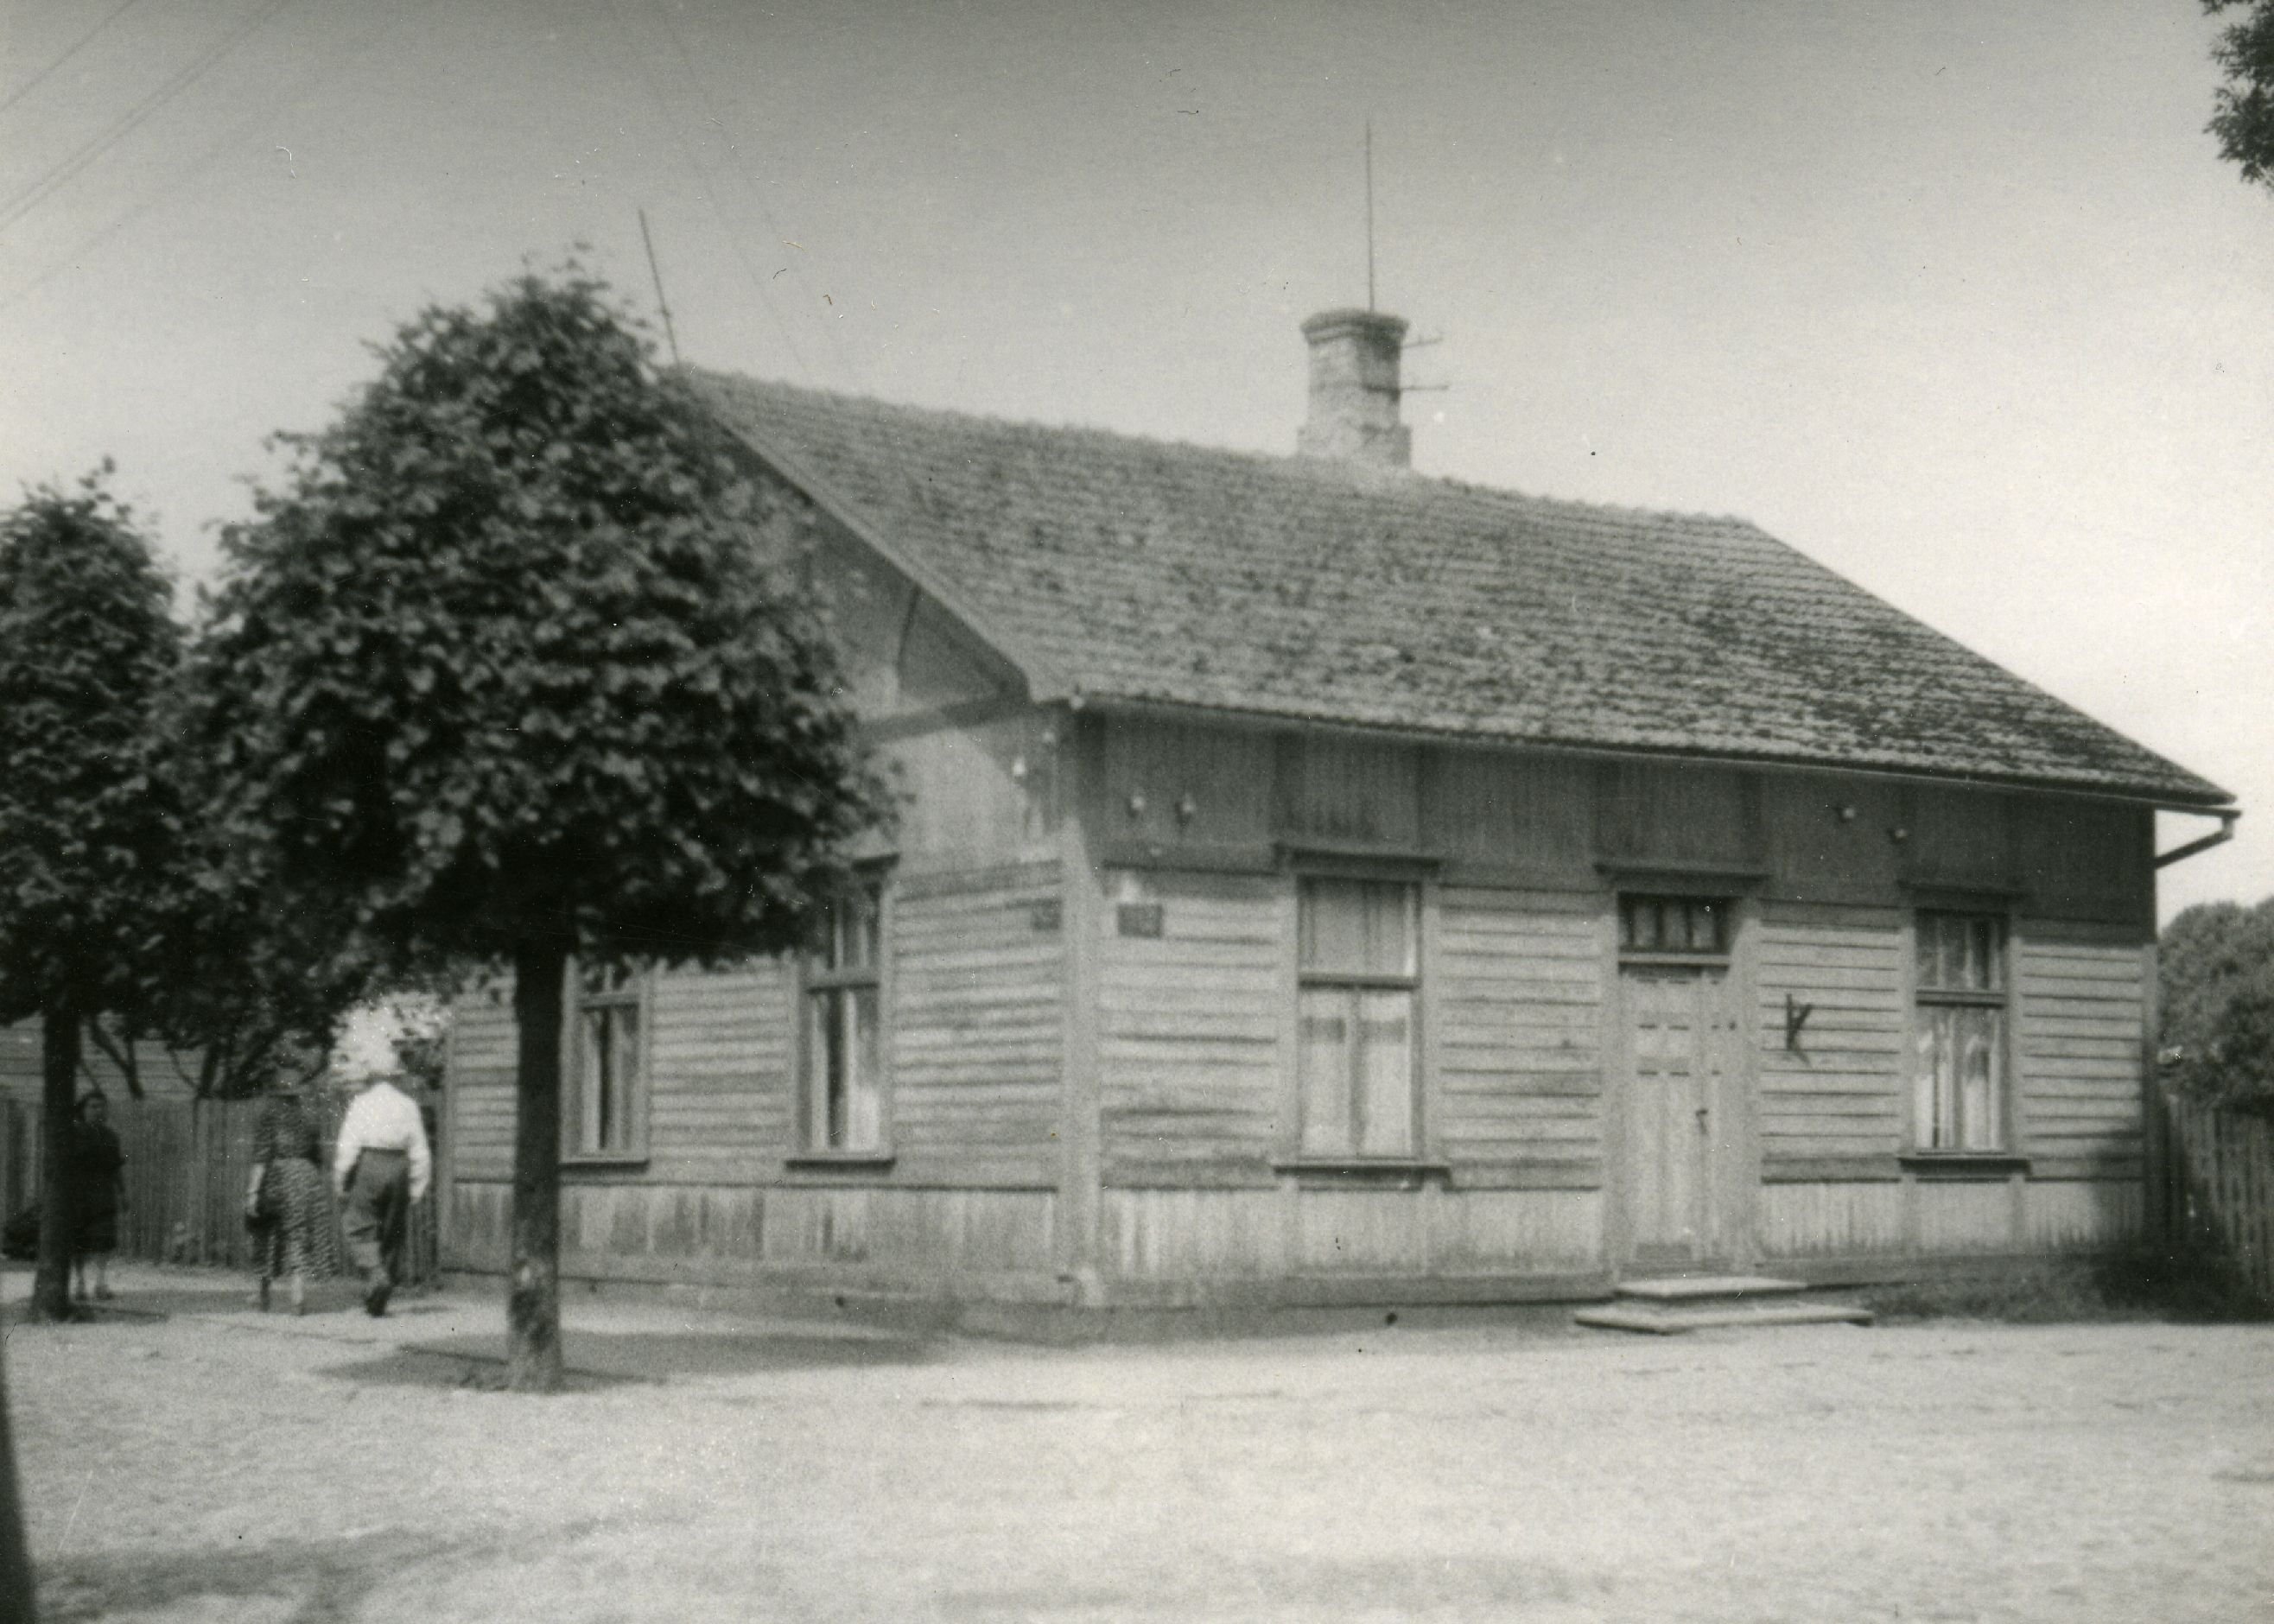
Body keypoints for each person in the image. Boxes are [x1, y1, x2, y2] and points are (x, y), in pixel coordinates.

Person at [333, 1070, 430, 1316]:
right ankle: (378, 1303)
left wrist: (341, 1177)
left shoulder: (362, 1103)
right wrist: (417, 1188)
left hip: (370, 1163)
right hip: (400, 1166)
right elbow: (420, 1149)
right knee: (392, 1231)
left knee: (357, 1224)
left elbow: (349, 1143)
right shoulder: (408, 1105)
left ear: (371, 1080)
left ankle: (376, 1273)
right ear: (394, 1079)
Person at [245, 1083, 336, 1314]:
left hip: (278, 1174)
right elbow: (317, 1156)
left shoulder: (270, 1114)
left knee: (266, 1231)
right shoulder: (308, 1117)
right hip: (307, 1176)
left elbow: (261, 1154)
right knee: (298, 1233)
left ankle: (263, 1294)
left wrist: (253, 1192)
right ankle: (297, 1294)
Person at [65, 1093, 127, 1305]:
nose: (98, 1111)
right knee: (78, 1240)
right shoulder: (73, 1134)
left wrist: (123, 1193)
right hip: (78, 1194)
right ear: (83, 1109)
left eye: (102, 1106)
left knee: (104, 1238)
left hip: (103, 1193)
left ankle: (101, 1283)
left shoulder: (111, 1136)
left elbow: (116, 1168)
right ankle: (80, 1284)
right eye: (92, 1106)